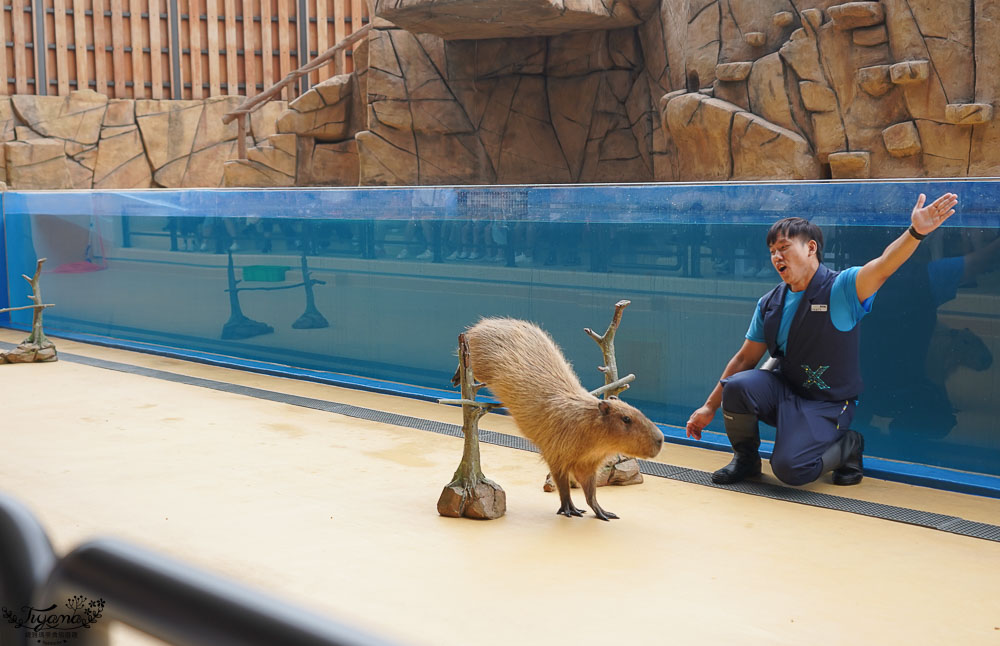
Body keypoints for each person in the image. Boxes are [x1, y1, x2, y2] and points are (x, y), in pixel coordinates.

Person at [685, 192, 959, 487]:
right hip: (786, 392)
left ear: (811, 248)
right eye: (772, 251)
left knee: (791, 470)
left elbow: (883, 265)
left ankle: (848, 446)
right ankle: (746, 460)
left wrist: (915, 232)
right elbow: (743, 359)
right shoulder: (769, 303)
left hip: (828, 403)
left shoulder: (842, 288)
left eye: (784, 248)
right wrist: (709, 407)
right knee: (737, 385)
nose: (777, 256)